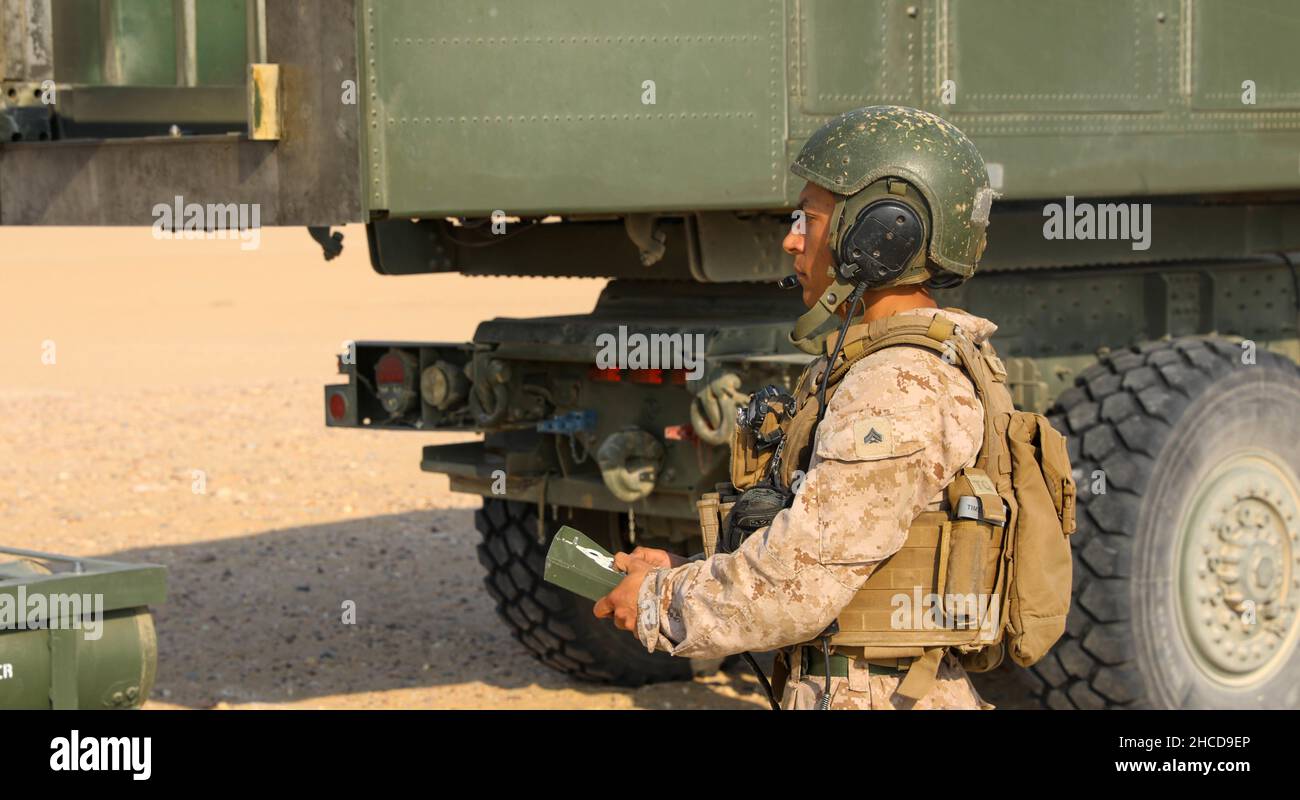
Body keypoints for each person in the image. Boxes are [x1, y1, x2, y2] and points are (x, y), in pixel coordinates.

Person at [595, 105, 1007, 710]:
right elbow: (830, 549)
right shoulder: (881, 365)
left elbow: (800, 584)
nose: (791, 238)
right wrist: (679, 571)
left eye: (809, 219)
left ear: (880, 236)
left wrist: (661, 602)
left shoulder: (896, 386)